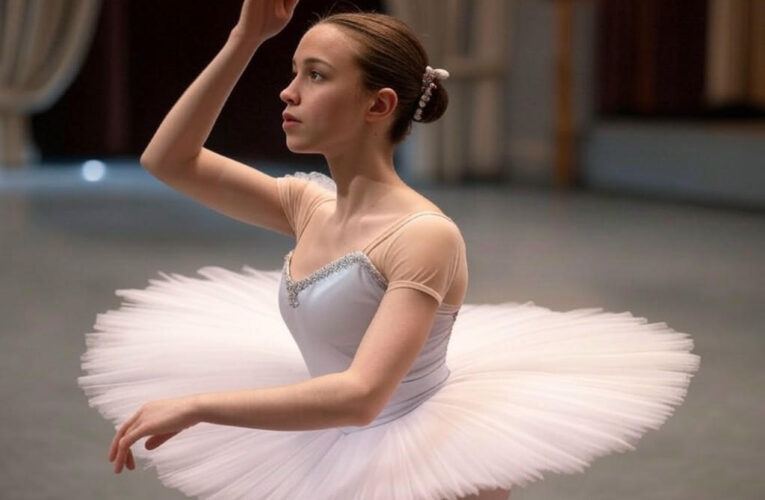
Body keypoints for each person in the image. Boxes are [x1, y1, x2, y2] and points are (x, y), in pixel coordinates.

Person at [78, 1, 700, 499]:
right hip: (330, 444)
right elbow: (170, 160)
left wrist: (198, 406)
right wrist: (245, 39)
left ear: (378, 105)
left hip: (415, 460)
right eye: (293, 72)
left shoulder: (424, 236)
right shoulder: (307, 205)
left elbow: (360, 396)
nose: (288, 93)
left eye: (316, 75)